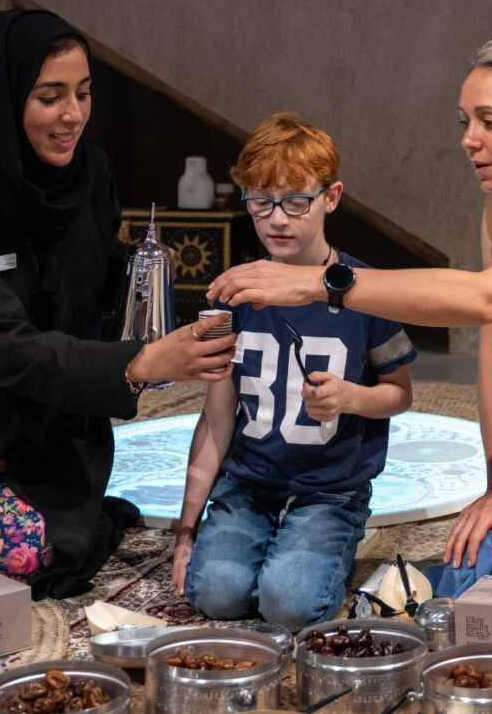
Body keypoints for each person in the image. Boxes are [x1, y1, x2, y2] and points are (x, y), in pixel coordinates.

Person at [207, 32, 492, 609]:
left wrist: (321, 283)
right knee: (462, 573)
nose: (469, 141)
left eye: (489, 121)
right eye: (464, 122)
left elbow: (488, 298)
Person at [0, 8, 236, 599]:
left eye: (82, 93)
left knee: (55, 546)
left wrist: (142, 268)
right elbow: (3, 347)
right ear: (3, 99)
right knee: (20, 557)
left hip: (47, 425)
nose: (73, 115)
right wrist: (136, 366)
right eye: (50, 97)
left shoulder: (89, 173)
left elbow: (91, 267)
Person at [173, 113, 415, 631]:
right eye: (261, 201)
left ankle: (330, 542)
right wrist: (186, 530)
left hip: (330, 486)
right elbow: (216, 420)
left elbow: (399, 394)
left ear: (331, 196)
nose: (277, 219)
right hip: (249, 483)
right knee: (215, 594)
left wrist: (351, 396)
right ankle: (265, 544)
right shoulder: (232, 294)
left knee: (289, 605)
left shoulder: (365, 291)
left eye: (296, 201)